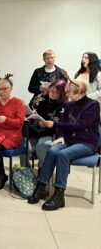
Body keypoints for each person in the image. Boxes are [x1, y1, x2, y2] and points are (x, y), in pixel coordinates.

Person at [28, 80, 100, 210]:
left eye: (69, 91)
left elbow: (81, 126)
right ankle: (41, 186)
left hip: (87, 143)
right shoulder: (70, 105)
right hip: (69, 141)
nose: (66, 94)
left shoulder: (93, 105)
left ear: (80, 92)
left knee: (62, 154)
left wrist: (55, 124)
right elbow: (64, 124)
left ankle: (59, 194)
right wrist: (60, 135)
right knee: (52, 151)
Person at [21, 79, 67, 171]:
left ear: (61, 94)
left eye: (56, 92)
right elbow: (30, 109)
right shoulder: (41, 98)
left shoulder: (64, 105)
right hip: (34, 130)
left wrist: (47, 124)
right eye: (51, 91)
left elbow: (59, 123)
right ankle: (25, 169)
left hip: (49, 133)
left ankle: (42, 168)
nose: (52, 94)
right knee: (25, 147)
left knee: (42, 146)